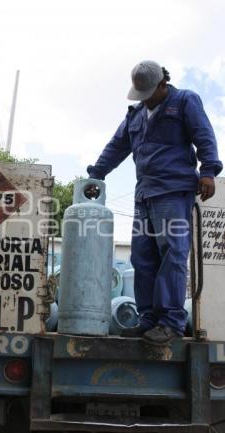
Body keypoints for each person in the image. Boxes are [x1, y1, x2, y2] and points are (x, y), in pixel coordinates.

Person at [87, 60, 223, 345]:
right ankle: (149, 320)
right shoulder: (135, 115)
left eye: (149, 93)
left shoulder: (185, 101)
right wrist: (97, 173)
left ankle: (171, 323)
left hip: (173, 192)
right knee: (142, 257)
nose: (145, 100)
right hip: (144, 195)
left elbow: (204, 136)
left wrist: (208, 170)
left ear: (163, 84)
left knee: (172, 255)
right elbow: (117, 146)